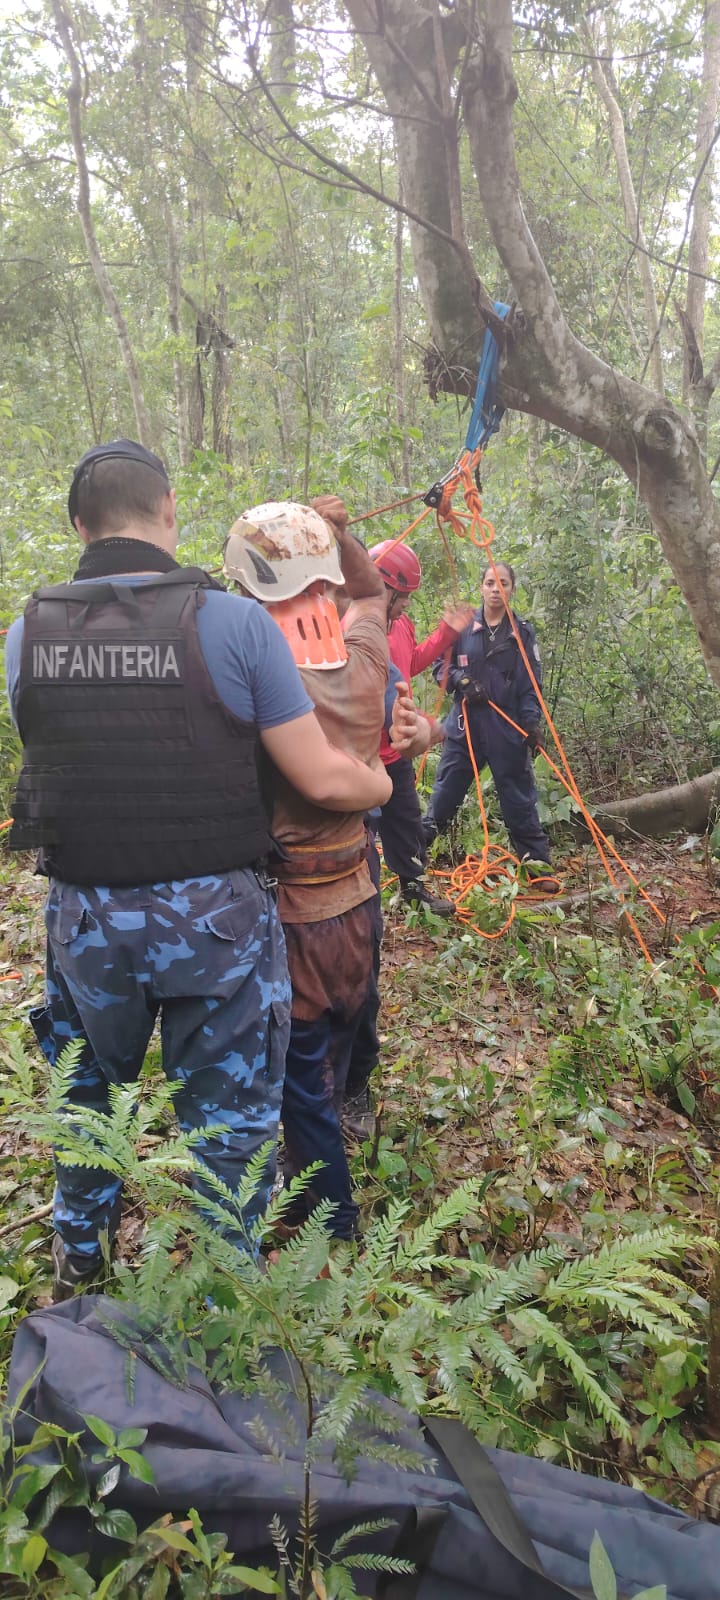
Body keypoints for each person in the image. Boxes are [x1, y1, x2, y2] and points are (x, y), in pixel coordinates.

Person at [4, 440, 391, 1299]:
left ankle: (80, 1262)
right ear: (170, 510)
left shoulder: (26, 634)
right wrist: (382, 778)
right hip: (215, 922)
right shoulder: (235, 624)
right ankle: (231, 1294)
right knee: (229, 1123)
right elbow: (323, 774)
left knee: (87, 1099)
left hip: (87, 921)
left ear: (79, 526)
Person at [223, 496, 393, 1242]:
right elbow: (371, 592)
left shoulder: (250, 688)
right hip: (358, 894)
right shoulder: (362, 664)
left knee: (302, 1084)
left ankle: (335, 1223)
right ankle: (330, 1151)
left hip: (293, 913)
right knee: (345, 1025)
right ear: (321, 589)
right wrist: (344, 536)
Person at [422, 561, 552, 870]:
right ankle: (414, 855)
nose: (496, 589)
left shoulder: (521, 634)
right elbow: (439, 666)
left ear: (512, 589)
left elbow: (531, 684)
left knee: (518, 797)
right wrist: (461, 681)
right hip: (464, 724)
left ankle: (536, 865)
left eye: (503, 583)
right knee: (445, 793)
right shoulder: (463, 627)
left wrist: (531, 722)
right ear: (482, 587)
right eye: (491, 583)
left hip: (506, 727)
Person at [369, 539, 475, 916]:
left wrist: (446, 633)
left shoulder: (400, 624)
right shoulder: (353, 627)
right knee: (359, 831)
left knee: (406, 821)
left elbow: (410, 663)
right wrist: (430, 727)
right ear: (384, 588)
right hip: (364, 753)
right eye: (403, 597)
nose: (407, 605)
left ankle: (412, 888)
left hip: (396, 751)